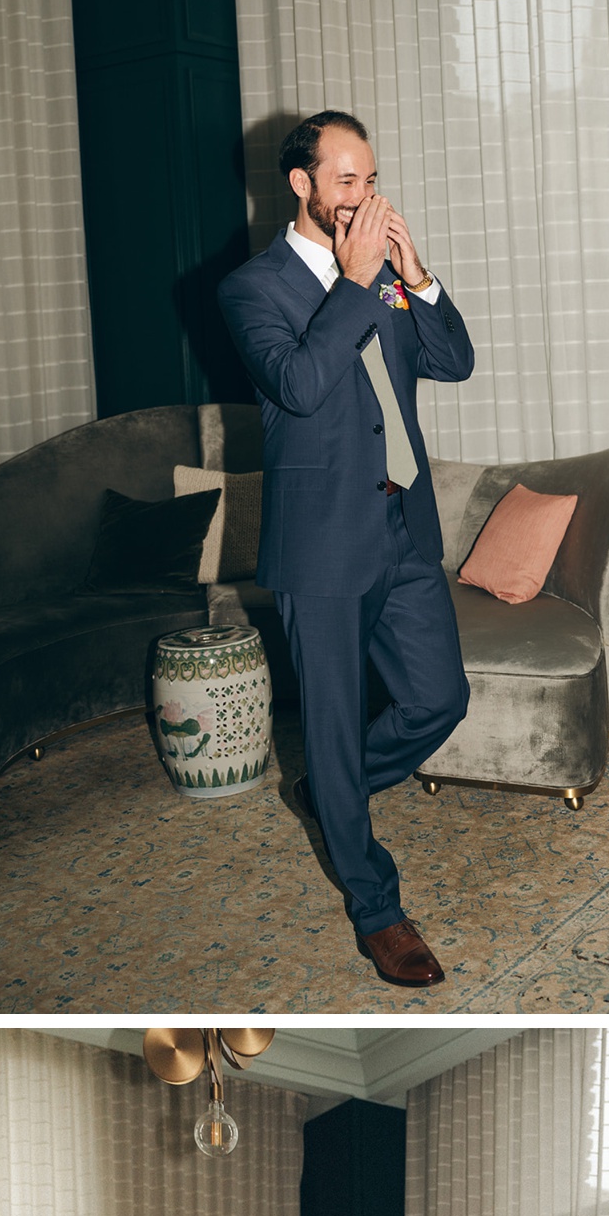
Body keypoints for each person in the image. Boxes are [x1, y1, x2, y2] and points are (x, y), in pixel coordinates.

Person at [218, 112, 476, 990]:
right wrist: (359, 284)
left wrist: (418, 277)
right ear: (302, 184)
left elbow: (454, 363)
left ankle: (332, 794)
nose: (362, 197)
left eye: (368, 179)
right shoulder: (251, 288)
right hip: (322, 543)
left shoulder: (387, 277)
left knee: (441, 698)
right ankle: (378, 912)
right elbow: (296, 383)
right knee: (328, 724)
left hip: (404, 527)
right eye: (345, 181)